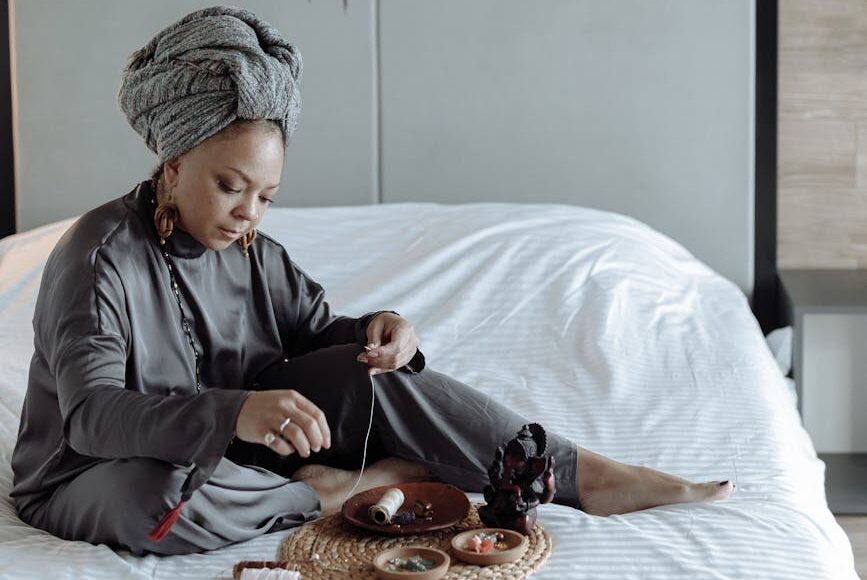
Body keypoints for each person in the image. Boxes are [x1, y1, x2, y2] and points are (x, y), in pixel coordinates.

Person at [10, 6, 734, 556]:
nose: (248, 214)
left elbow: (315, 336)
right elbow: (92, 418)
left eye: (265, 195)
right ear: (172, 165)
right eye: (231, 186)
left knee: (374, 376)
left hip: (236, 454)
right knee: (150, 497)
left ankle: (578, 474)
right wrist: (234, 412)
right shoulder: (99, 254)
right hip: (98, 469)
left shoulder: (252, 249)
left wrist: (376, 334)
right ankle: (327, 489)